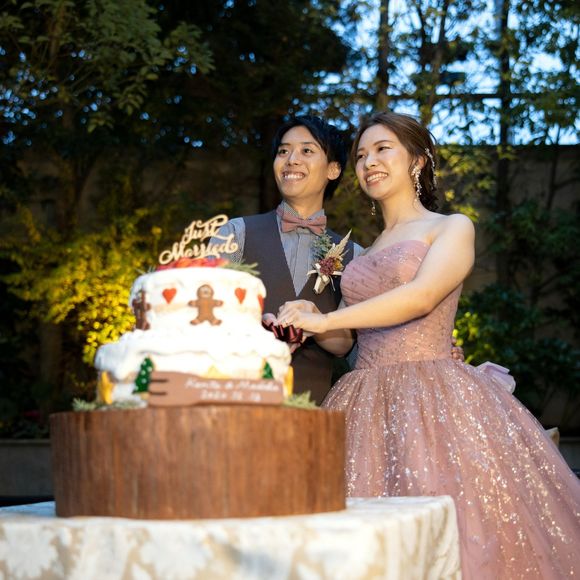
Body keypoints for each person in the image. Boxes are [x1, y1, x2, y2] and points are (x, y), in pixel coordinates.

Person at [277, 111, 580, 579]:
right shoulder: (363, 252)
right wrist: (312, 320)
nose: (369, 162)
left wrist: (328, 318)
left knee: (452, 524)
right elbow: (347, 341)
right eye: (361, 155)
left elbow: (420, 297)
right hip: (361, 398)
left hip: (434, 395)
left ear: (417, 160)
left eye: (383, 149)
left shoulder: (451, 227)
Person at [213, 115, 361, 405]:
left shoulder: (355, 256)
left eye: (306, 150)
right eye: (283, 151)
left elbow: (347, 347)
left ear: (333, 169)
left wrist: (316, 320)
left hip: (313, 409)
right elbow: (205, 312)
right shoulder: (234, 233)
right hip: (235, 401)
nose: (292, 160)